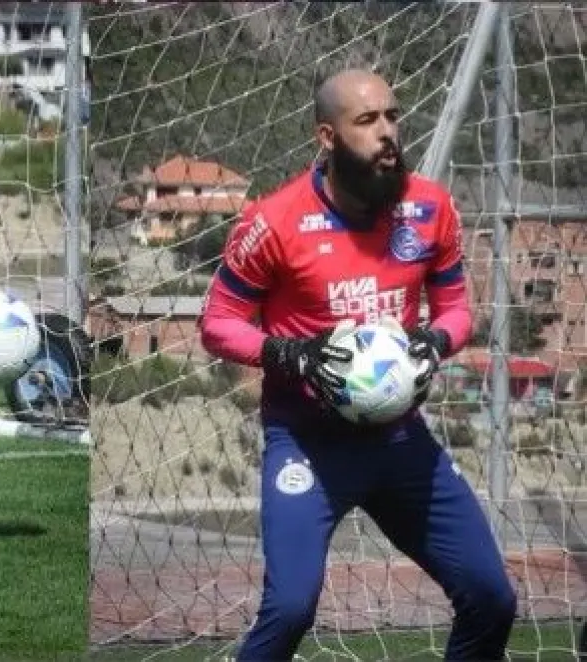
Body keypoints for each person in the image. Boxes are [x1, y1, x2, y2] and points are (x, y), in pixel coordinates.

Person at [199, 69, 517, 660]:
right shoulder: (272, 221)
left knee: (492, 598)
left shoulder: (430, 207)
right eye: (367, 121)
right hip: (306, 444)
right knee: (291, 608)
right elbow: (217, 324)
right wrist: (286, 354)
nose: (388, 133)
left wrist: (433, 342)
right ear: (327, 135)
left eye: (392, 116)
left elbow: (456, 312)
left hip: (400, 442)